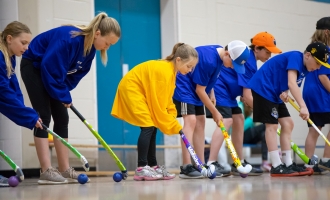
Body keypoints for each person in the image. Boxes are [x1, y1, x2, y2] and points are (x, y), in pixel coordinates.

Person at [20, 12, 120, 184]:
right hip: (34, 68)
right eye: (107, 43)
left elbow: (73, 77)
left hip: (52, 75)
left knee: (62, 117)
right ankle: (45, 171)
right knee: (43, 116)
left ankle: (64, 169)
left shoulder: (90, 52)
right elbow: (49, 67)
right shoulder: (69, 39)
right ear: (97, 34)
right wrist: (62, 94)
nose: (106, 48)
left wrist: (63, 94)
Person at [111, 43, 199, 181]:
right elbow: (158, 107)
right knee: (148, 126)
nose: (190, 70)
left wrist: (171, 115)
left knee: (152, 126)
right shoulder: (164, 72)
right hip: (132, 90)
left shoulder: (171, 72)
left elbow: (166, 100)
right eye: (189, 66)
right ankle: (141, 168)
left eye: (192, 67)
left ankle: (152, 166)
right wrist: (175, 126)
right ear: (178, 60)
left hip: (140, 92)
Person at [248, 42, 330, 177]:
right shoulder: (296, 57)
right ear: (308, 55)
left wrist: (284, 92)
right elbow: (292, 83)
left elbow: (286, 81)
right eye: (318, 63)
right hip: (263, 88)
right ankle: (276, 165)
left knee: (288, 124)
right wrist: (303, 106)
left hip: (274, 92)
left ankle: (287, 163)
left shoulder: (305, 68)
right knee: (272, 126)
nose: (318, 67)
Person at [206, 32, 281, 177]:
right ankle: (211, 162)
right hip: (220, 90)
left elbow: (246, 93)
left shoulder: (251, 60)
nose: (269, 55)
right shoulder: (249, 60)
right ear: (257, 48)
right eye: (267, 51)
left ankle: (238, 162)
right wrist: (265, 115)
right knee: (226, 120)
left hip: (229, 94)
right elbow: (247, 96)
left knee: (239, 119)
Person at [173, 41, 250, 179]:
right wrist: (215, 111)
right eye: (233, 63)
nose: (232, 67)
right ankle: (186, 166)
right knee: (190, 121)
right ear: (227, 54)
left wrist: (212, 92)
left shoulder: (218, 53)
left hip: (195, 88)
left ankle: (200, 164)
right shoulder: (210, 60)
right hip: (184, 86)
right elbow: (200, 90)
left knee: (201, 121)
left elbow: (208, 79)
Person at [0, 21, 42, 187]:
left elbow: (13, 84)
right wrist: (28, 116)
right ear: (10, 38)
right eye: (23, 43)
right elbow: (3, 91)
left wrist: (26, 112)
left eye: (28, 44)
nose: (26, 48)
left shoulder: (9, 57)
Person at [303, 16, 330, 175]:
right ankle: (326, 159)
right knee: (315, 129)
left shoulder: (312, 48)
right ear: (328, 32)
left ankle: (309, 164)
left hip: (310, 93)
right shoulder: (326, 50)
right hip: (321, 94)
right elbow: (323, 76)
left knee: (314, 129)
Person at [239, 101, 270, 172]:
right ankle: (275, 151)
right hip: (239, 137)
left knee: (264, 134)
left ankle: (264, 162)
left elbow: (253, 127)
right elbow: (240, 128)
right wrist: (251, 118)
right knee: (266, 126)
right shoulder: (240, 106)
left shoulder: (249, 108)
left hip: (248, 136)